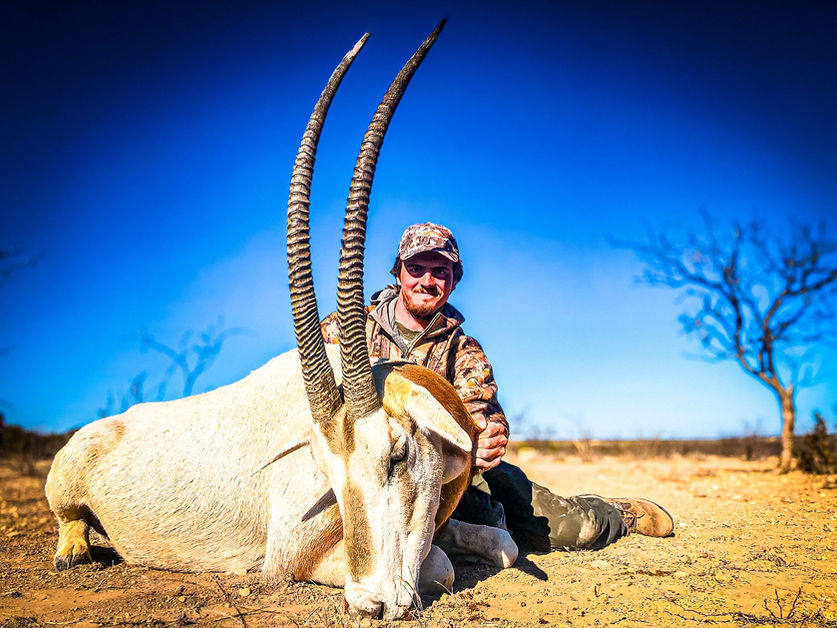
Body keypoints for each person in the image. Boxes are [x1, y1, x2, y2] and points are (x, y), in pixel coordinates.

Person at [321, 222, 674, 552]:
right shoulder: (347, 328)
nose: (428, 280)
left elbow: (481, 411)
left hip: (444, 471)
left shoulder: (465, 350)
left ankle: (618, 513)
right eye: (416, 269)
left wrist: (484, 439)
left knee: (564, 529)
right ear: (398, 273)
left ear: (454, 281)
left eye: (440, 272)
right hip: (360, 466)